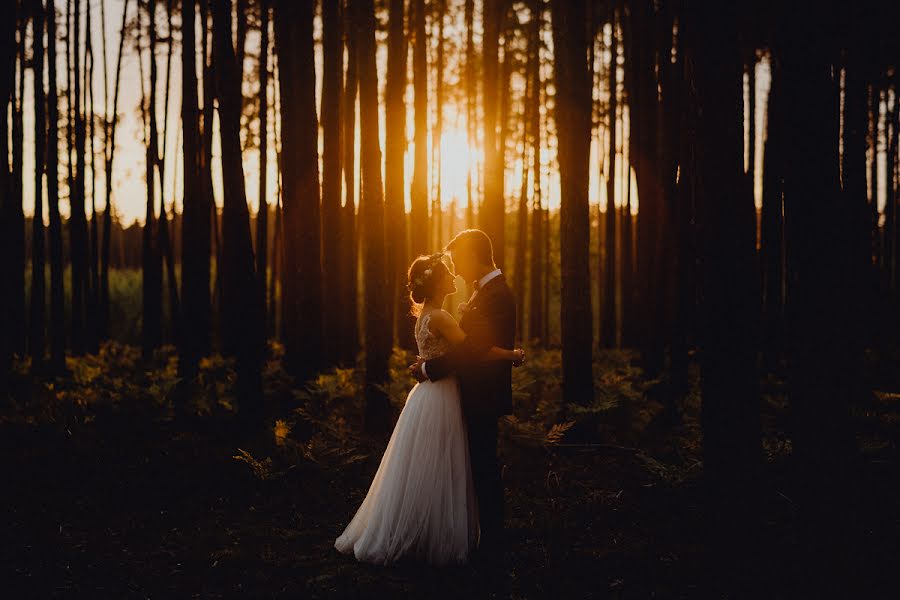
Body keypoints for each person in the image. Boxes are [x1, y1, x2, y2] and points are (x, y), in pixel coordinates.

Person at [334, 251, 524, 566]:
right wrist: (511, 354)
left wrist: (427, 366)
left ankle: (419, 527)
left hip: (424, 396)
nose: (454, 277)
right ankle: (435, 535)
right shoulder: (442, 317)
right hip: (443, 396)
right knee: (442, 463)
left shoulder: (426, 316)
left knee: (424, 464)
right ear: (437, 282)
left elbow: (445, 354)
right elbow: (474, 353)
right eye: (448, 274)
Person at [410, 229, 518, 561]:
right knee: (470, 466)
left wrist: (430, 369)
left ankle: (493, 542)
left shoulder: (497, 294)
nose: (456, 269)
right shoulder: (481, 292)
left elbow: (473, 349)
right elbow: (471, 347)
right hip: (466, 394)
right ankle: (475, 536)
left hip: (483, 395)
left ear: (474, 256)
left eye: (459, 261)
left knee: (482, 466)